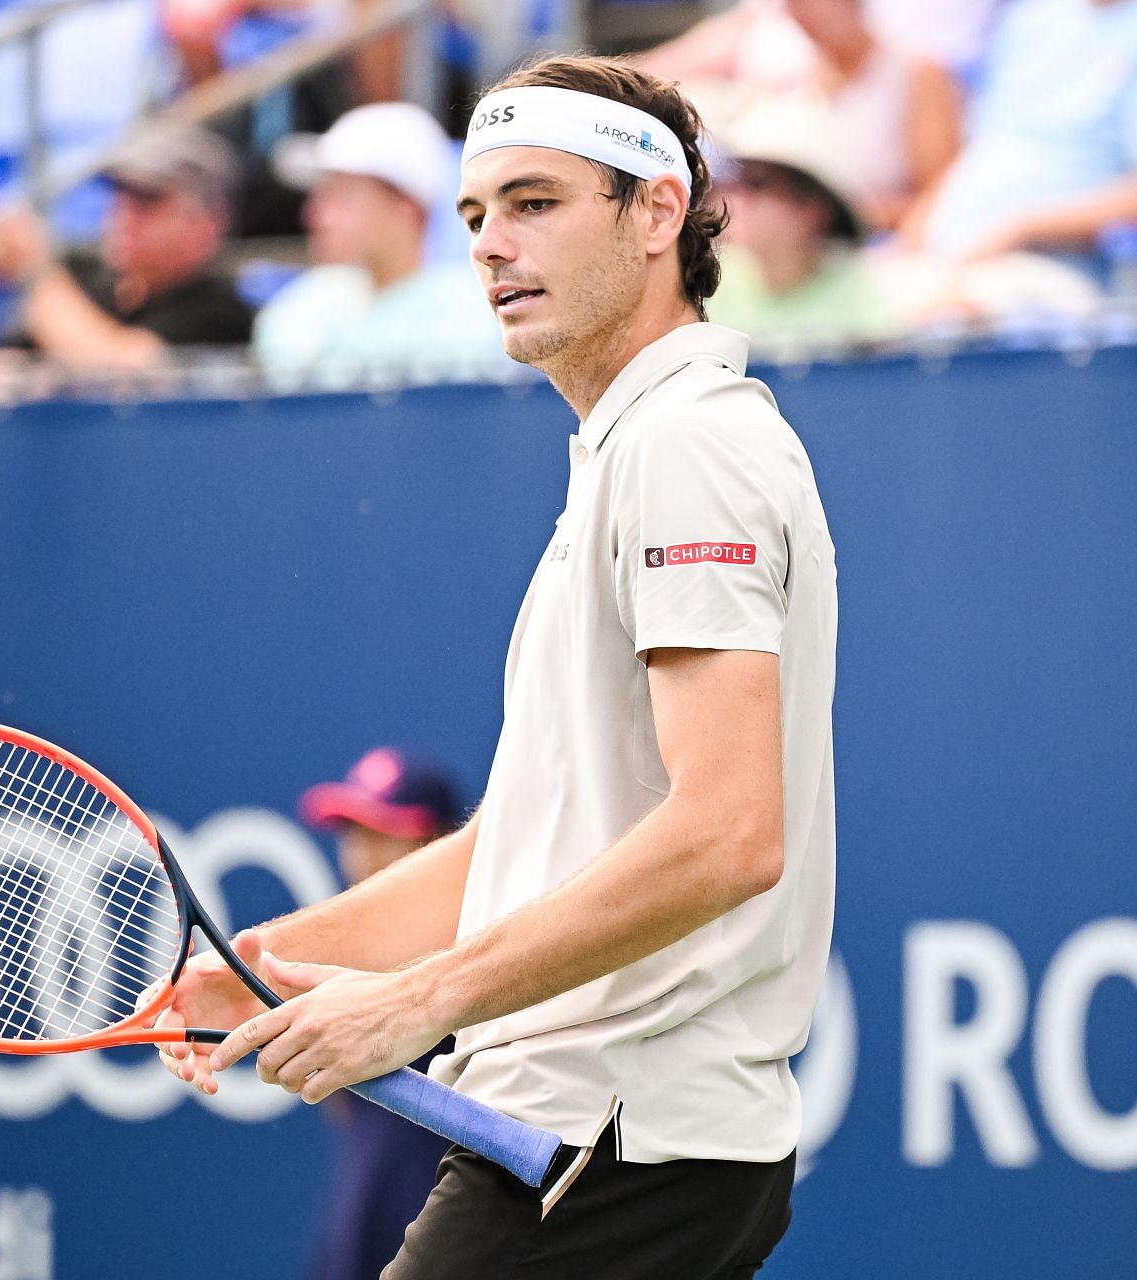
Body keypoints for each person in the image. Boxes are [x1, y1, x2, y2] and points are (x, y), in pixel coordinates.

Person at [157, 54, 837, 1279]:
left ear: (656, 213)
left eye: (535, 202)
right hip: (599, 1133)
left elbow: (732, 830)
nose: (488, 245)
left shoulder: (687, 449)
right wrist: (274, 963)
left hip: (617, 1138)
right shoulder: (634, 449)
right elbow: (526, 839)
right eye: (475, 214)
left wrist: (421, 1001)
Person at [296, 747, 466, 1280]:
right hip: (360, 1219)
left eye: (381, 833)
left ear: (437, 846)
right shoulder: (344, 971)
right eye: (352, 833)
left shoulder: (471, 956)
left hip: (441, 1223)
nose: (361, 854)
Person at [897, 0, 1137, 265]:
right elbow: (982, 154)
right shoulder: (1030, 19)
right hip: (951, 254)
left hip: (1052, 267)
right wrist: (910, 235)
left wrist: (1021, 227)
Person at [0, 121, 256, 377]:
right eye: (120, 196)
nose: (123, 216)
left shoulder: (221, 312)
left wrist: (35, 273)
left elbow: (125, 376)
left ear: (207, 222)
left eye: (146, 201)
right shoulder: (84, 282)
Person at [635, 0, 962, 228]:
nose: (797, 14)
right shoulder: (787, 75)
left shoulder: (916, 73)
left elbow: (941, 193)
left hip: (876, 238)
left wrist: (852, 218)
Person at [253, 101, 507, 384]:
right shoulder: (296, 310)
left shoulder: (476, 315)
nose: (315, 215)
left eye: (343, 196)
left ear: (407, 208)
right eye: (320, 194)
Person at [706, 105, 892, 344]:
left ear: (813, 209)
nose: (734, 195)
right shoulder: (709, 284)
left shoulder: (862, 297)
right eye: (735, 178)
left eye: (756, 182)